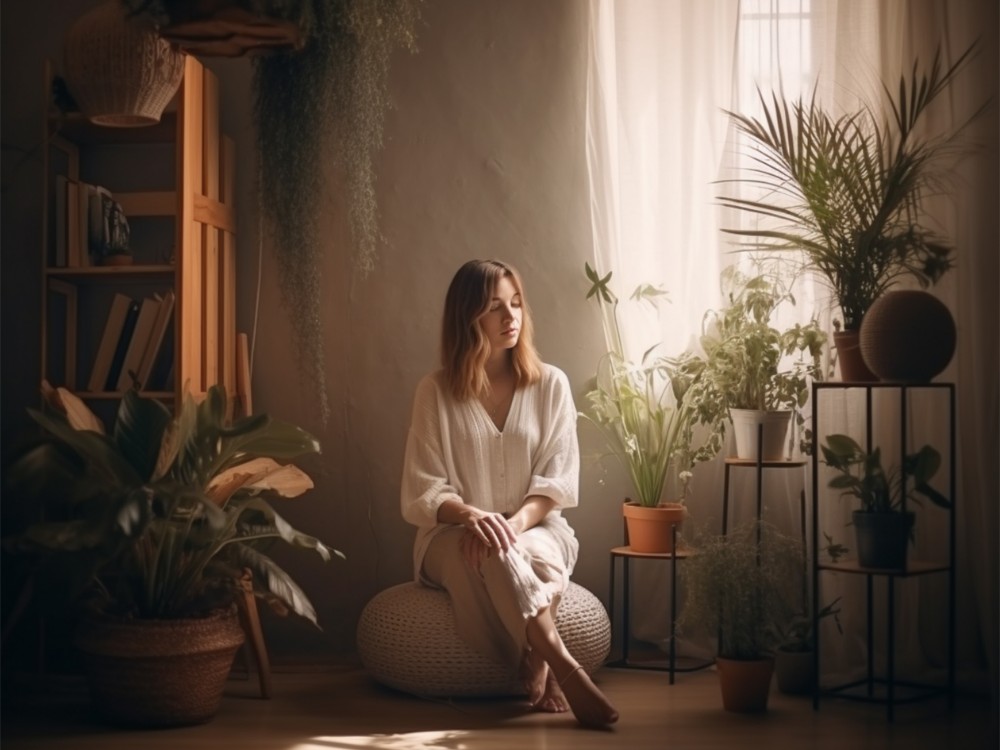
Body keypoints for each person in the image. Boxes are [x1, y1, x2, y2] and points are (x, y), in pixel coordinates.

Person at [400, 259, 619, 728]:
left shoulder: (550, 384)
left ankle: (537, 657)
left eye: (516, 303)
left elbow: (556, 481)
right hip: (448, 533)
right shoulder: (435, 391)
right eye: (495, 307)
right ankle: (561, 663)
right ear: (467, 318)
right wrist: (472, 516)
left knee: (511, 553)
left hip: (536, 526)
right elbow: (424, 487)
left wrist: (510, 525)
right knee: (494, 552)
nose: (510, 317)